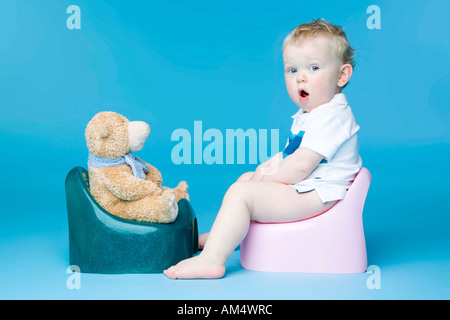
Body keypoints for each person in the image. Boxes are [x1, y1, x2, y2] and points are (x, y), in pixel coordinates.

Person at [164, 19, 362, 279]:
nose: (301, 76)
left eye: (313, 67)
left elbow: (301, 164)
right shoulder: (312, 113)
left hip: (319, 195)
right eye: (292, 70)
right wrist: (265, 169)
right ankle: (225, 235)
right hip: (309, 187)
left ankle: (211, 260)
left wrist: (269, 178)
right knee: (245, 181)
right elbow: (291, 154)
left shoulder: (333, 116)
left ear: (341, 75)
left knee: (244, 193)